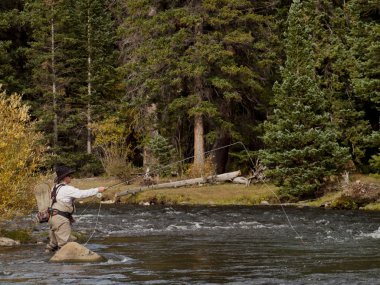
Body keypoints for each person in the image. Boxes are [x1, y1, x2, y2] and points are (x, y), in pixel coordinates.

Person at [45, 166, 106, 253]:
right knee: (64, 246)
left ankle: (48, 263)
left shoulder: (54, 187)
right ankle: (65, 265)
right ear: (65, 177)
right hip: (60, 220)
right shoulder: (67, 189)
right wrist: (98, 190)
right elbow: (81, 194)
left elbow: (57, 203)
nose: (71, 177)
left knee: (53, 245)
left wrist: (68, 216)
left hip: (52, 218)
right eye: (69, 175)